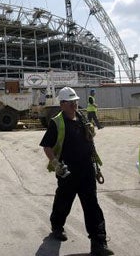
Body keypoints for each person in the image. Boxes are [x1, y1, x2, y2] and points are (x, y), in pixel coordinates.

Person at [39, 86, 114, 256]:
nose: (75, 105)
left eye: (76, 102)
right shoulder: (56, 122)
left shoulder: (82, 118)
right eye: (71, 102)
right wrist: (56, 164)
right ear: (62, 104)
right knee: (63, 201)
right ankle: (57, 227)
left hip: (86, 170)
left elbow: (89, 142)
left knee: (92, 206)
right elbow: (47, 146)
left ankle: (98, 243)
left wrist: (95, 166)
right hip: (68, 171)